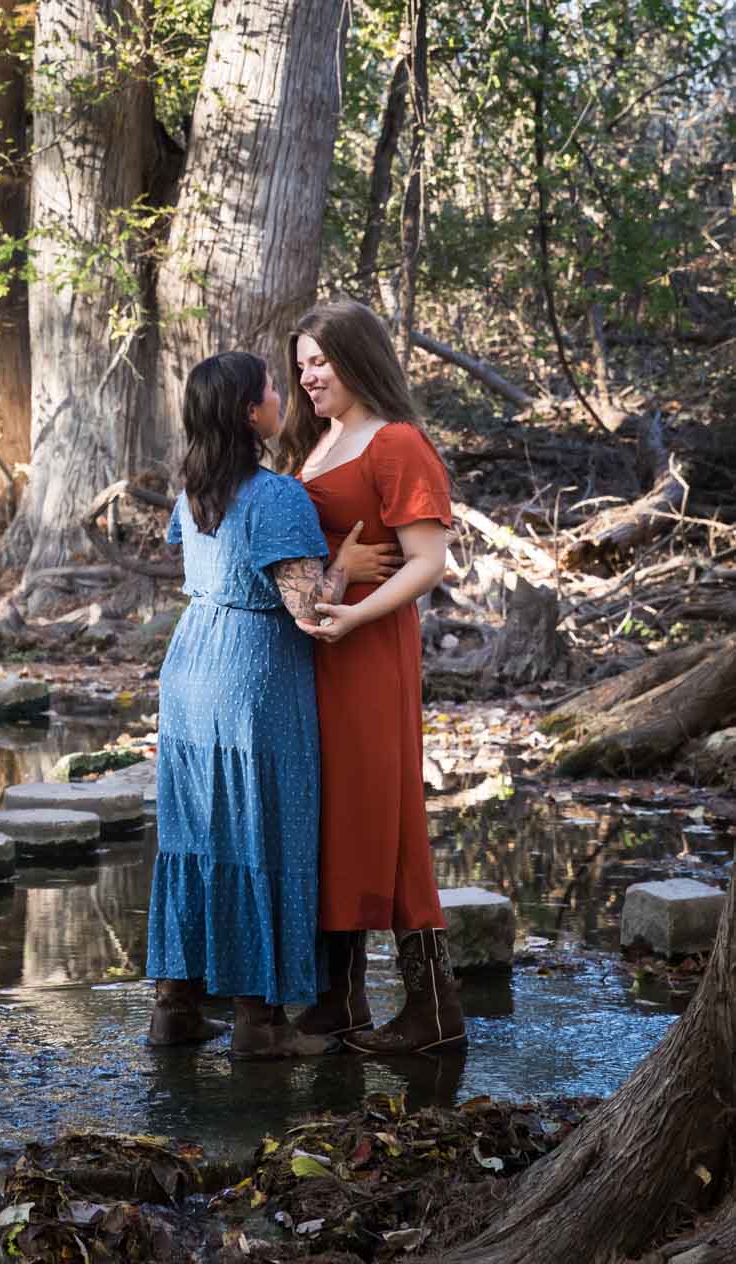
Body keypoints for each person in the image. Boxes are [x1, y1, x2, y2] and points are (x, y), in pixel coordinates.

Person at [146, 349, 396, 1060]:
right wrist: (342, 569)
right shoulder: (277, 494)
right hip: (252, 674)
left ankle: (176, 1008)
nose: (280, 395)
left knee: (195, 838)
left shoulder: (191, 490)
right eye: (268, 388)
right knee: (257, 834)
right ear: (247, 413)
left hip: (190, 663)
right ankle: (260, 1025)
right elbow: (308, 612)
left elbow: (198, 568)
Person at [279, 297, 464, 1056]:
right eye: (299, 366)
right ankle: (337, 1000)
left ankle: (432, 1009)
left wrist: (356, 615)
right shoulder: (317, 444)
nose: (308, 377)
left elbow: (427, 561)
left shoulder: (394, 443)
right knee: (331, 813)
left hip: (369, 650)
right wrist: (331, 594)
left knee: (380, 812)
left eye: (319, 362)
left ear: (357, 359)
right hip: (317, 650)